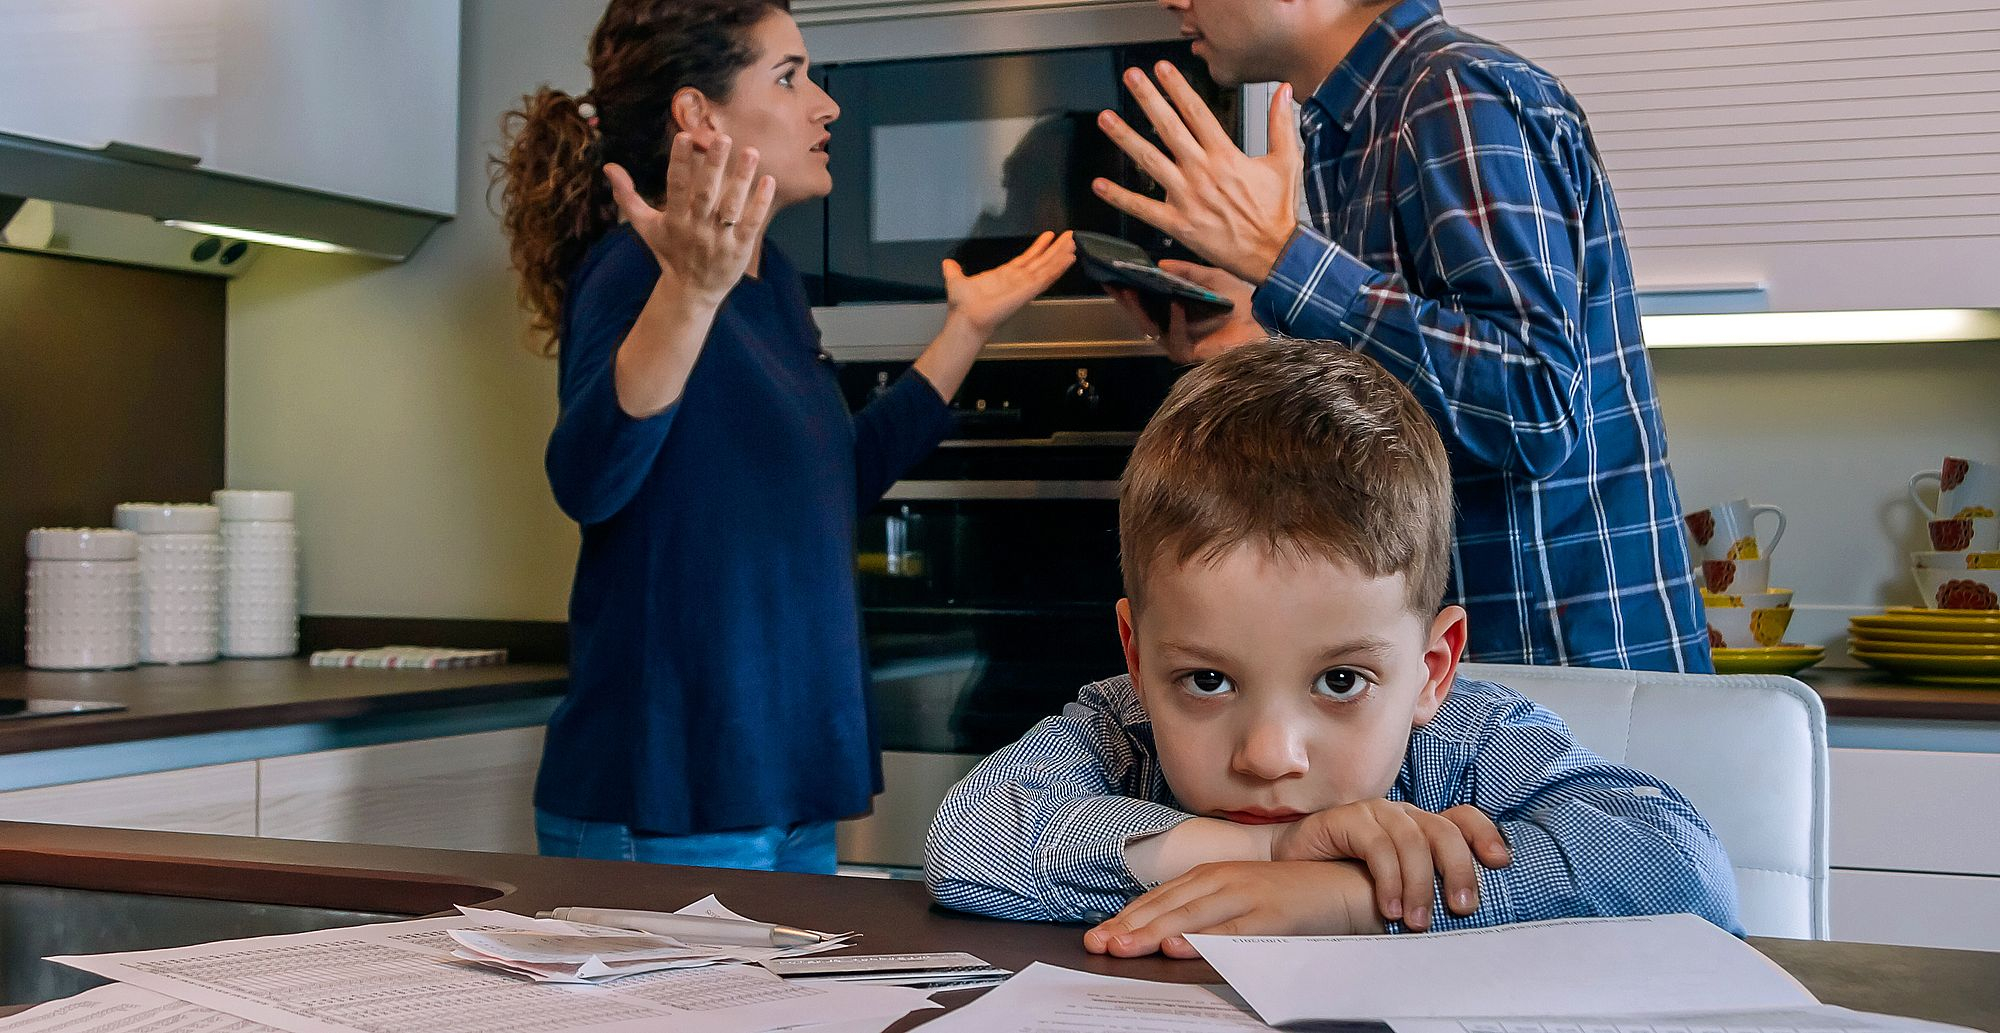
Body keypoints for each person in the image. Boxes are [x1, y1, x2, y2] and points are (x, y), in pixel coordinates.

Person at [492, 0, 1074, 874]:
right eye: (789, 76)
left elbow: (833, 477)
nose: (825, 104)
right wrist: (688, 294)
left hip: (786, 784)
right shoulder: (634, 271)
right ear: (699, 114)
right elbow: (588, 475)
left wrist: (968, 330)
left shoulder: (773, 285)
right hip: (673, 793)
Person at [923, 339, 1740, 954]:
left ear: (1433, 669)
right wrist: (1267, 849)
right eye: (1207, 679)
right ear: (1137, 656)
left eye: (1341, 679)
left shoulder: (1471, 743)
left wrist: (1352, 897)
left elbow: (1684, 867)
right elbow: (966, 840)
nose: (1270, 756)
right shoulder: (1118, 724)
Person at [1090, 0, 1708, 672]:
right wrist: (1264, 333)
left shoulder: (1452, 94)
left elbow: (1534, 402)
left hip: (1569, 680)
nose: (1172, 0)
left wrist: (1284, 260)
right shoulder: (1356, 126)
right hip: (1479, 678)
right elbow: (1419, 403)